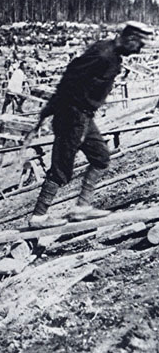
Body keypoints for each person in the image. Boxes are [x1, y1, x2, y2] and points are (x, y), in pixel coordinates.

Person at [26, 21, 154, 229]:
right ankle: (38, 217)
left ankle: (81, 208)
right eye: (139, 44)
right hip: (71, 115)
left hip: (85, 116)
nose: (139, 49)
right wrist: (51, 109)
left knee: (101, 157)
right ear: (131, 38)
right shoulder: (102, 54)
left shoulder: (112, 55)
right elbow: (70, 77)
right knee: (61, 168)